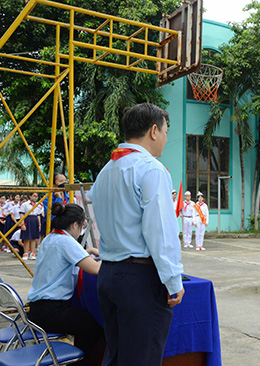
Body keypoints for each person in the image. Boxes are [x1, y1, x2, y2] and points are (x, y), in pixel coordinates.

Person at [88, 103, 184, 366]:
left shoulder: (106, 171)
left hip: (109, 275)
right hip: (140, 280)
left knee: (117, 356)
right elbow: (161, 233)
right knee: (142, 359)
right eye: (165, 131)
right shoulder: (151, 169)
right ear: (154, 130)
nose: (166, 138)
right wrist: (173, 279)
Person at [27, 203, 103, 366]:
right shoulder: (65, 242)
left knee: (85, 322)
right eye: (82, 226)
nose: (81, 230)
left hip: (37, 309)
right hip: (51, 311)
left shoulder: (51, 237)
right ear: (75, 224)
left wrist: (87, 253)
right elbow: (95, 268)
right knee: (95, 326)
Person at [20, 192, 43, 260]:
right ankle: (25, 253)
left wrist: (39, 224)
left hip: (35, 219)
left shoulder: (38, 205)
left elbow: (38, 215)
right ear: (30, 196)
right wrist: (22, 224)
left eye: (36, 196)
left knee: (33, 238)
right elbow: (22, 214)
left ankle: (32, 253)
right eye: (34, 196)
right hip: (27, 219)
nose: (35, 198)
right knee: (27, 238)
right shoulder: (25, 204)